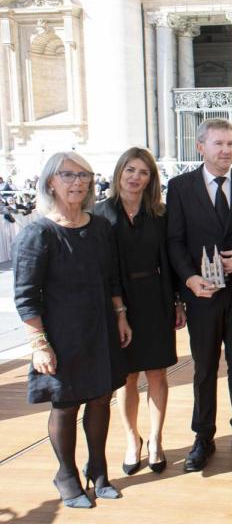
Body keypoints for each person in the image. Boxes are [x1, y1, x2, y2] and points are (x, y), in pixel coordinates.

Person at [14, 151, 131, 508]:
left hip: (100, 328)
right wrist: (39, 345)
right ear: (50, 181)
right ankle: (66, 475)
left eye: (84, 176)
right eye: (68, 175)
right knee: (65, 405)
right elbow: (25, 295)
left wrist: (121, 315)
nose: (78, 182)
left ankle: (98, 469)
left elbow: (112, 278)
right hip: (61, 335)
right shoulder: (38, 232)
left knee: (100, 399)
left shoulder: (98, 227)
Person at [166, 118, 232, 472]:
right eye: (219, 144)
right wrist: (190, 279)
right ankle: (202, 436)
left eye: (230, 143)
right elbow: (174, 241)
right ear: (200, 147)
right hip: (202, 296)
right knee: (205, 369)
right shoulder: (179, 187)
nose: (226, 150)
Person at [94, 148, 185, 476]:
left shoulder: (159, 214)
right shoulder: (100, 214)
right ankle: (133, 439)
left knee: (157, 373)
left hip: (155, 297)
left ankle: (157, 440)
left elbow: (169, 261)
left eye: (143, 172)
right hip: (118, 300)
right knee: (127, 376)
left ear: (151, 179)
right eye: (130, 170)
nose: (135, 177)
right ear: (119, 173)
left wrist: (177, 301)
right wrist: (118, 309)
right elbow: (103, 267)